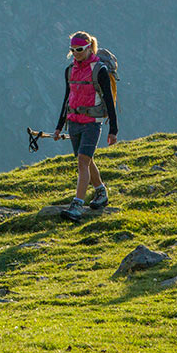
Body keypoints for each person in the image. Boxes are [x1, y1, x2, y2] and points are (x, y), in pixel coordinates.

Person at [54, 31, 118, 221]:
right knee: (86, 161)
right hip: (73, 122)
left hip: (92, 123)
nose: (75, 53)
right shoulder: (70, 70)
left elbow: (109, 100)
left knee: (82, 161)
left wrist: (113, 130)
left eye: (79, 49)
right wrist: (59, 127)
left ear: (89, 47)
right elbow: (67, 98)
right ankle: (101, 192)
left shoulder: (100, 70)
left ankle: (77, 206)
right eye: (72, 49)